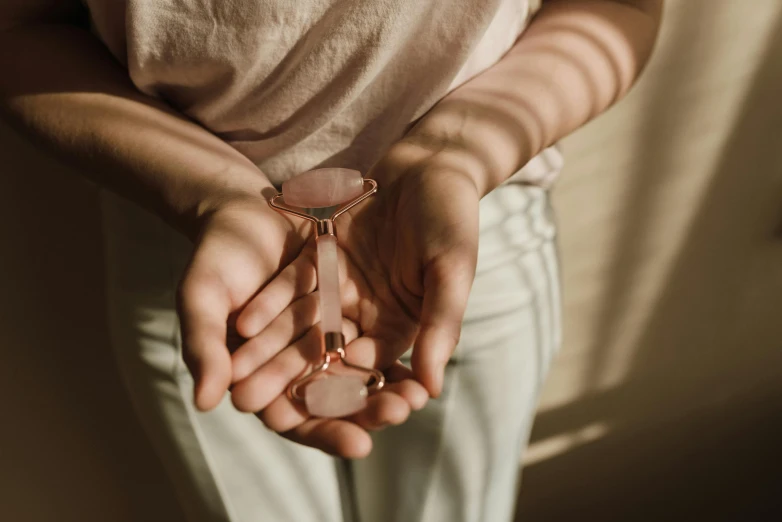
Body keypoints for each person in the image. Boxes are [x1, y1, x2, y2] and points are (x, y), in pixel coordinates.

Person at [0, 0, 662, 520]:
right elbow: (22, 27)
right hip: (205, 265)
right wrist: (213, 193)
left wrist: (455, 154)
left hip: (457, 246)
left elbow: (618, 4)